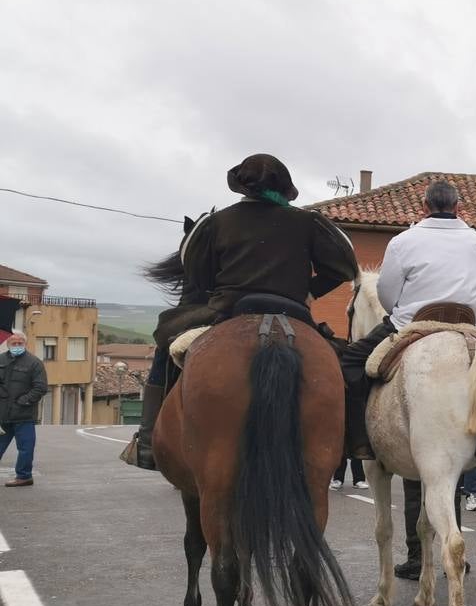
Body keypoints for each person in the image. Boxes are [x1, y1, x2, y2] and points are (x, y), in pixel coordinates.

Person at [127, 153, 359, 469]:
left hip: (227, 310)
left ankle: (148, 441)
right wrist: (308, 291)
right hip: (292, 311)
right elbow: (344, 268)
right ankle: (356, 439)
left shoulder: (215, 223)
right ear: (286, 189)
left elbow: (196, 274)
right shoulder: (310, 223)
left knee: (166, 342)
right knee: (345, 364)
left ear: (241, 187)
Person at [343, 179, 476, 459]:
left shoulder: (403, 242)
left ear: (424, 207)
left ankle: (360, 441)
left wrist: (400, 315)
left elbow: (387, 294)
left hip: (413, 325)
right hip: (469, 328)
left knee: (350, 361)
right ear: (458, 207)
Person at [0, 333, 47, 487]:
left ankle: (24, 476)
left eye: (20, 342)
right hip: (2, 415)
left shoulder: (34, 363)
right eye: (14, 342)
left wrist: (23, 401)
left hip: (24, 415)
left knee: (26, 449)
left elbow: (40, 388)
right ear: (8, 344)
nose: (17, 345)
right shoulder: (1, 360)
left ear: (25, 344)